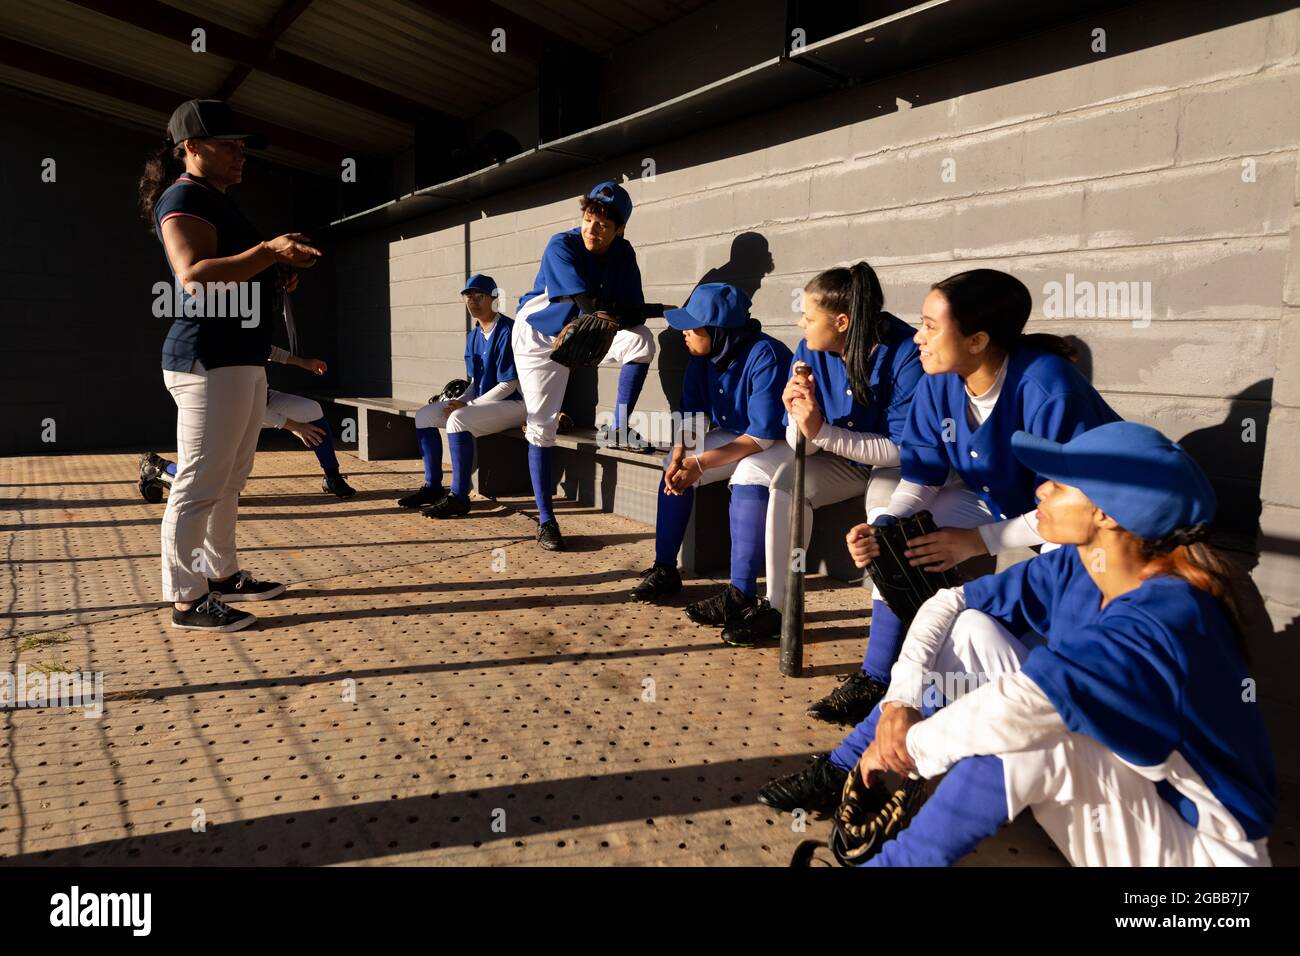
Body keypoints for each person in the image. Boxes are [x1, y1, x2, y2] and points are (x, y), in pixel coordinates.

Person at [762, 422, 1275, 866]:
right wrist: (899, 705)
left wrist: (905, 750)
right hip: (1130, 785)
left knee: (1025, 740)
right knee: (968, 630)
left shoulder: (1171, 612)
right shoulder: (1078, 563)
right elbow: (948, 602)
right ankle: (846, 765)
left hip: (1201, 845)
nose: (1041, 492)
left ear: (1108, 515)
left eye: (1061, 484)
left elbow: (1026, 705)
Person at [805, 269, 1120, 726]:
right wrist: (887, 523)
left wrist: (979, 541)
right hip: (1004, 503)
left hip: (1091, 528)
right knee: (900, 536)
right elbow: (923, 472)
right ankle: (878, 676)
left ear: (977, 341)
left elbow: (1077, 511)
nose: (918, 338)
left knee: (1057, 583)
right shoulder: (941, 378)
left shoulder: (1049, 389)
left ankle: (1054, 693)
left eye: (931, 326)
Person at [140, 98, 321, 632]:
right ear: (191, 148)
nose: (240, 154)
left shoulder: (216, 198)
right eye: (228, 145)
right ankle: (187, 600)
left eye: (242, 146)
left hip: (240, 360)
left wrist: (276, 274)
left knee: (230, 479)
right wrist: (269, 252)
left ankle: (220, 575)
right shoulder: (184, 196)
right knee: (198, 483)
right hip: (206, 361)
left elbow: (236, 273)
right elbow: (193, 276)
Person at [719, 262, 923, 647]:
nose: (801, 324)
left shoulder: (904, 353)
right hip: (842, 457)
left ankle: (890, 643)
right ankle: (780, 608)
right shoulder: (808, 349)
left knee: (883, 505)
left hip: (895, 464)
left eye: (809, 316)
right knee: (784, 483)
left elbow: (900, 450)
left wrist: (821, 432)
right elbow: (803, 447)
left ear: (842, 322)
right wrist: (800, 420)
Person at [629, 283, 794, 629]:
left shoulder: (766, 354)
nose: (685, 334)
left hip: (780, 442)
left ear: (718, 331)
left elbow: (763, 436)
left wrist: (700, 463)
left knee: (747, 472)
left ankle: (740, 594)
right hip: (739, 434)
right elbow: (694, 414)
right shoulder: (703, 356)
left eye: (693, 327)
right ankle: (665, 568)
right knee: (670, 469)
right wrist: (680, 455)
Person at [513, 182, 667, 551]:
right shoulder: (561, 244)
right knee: (541, 426)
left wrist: (657, 312)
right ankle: (546, 520)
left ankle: (618, 427)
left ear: (619, 230)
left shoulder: (623, 253)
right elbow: (586, 303)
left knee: (643, 340)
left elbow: (630, 313)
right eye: (587, 219)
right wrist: (639, 311)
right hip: (538, 338)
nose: (591, 230)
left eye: (601, 225)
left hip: (584, 331)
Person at [137, 344, 354, 502]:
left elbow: (266, 349)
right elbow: (247, 410)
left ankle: (332, 476)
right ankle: (158, 469)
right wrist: (293, 426)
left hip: (262, 400)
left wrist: (303, 362)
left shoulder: (248, 325)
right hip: (224, 419)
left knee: (311, 410)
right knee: (216, 491)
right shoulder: (221, 336)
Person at [396, 274, 527, 517]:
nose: (473, 301)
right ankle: (433, 487)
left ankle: (459, 496)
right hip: (487, 404)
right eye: (469, 296)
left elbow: (508, 385)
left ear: (494, 299)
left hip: (518, 404)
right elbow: (476, 383)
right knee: (424, 415)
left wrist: (467, 406)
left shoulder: (508, 329)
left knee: (458, 419)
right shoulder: (474, 335)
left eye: (480, 296)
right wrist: (462, 401)